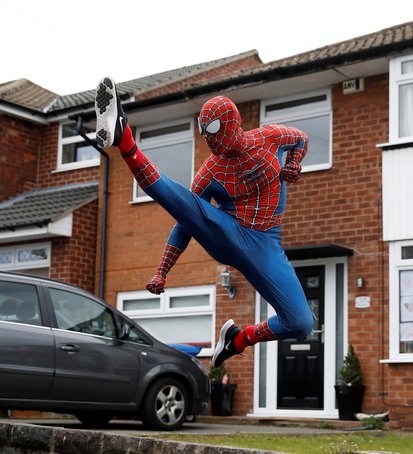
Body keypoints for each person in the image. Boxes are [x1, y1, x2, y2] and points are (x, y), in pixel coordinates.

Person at [94, 77, 313, 367]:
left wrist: (293, 164)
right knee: (182, 201)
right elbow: (186, 220)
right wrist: (162, 271)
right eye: (203, 132)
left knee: (301, 323)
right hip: (230, 232)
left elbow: (302, 138)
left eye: (213, 130)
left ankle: (236, 340)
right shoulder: (210, 172)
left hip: (267, 244)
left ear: (233, 123)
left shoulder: (271, 137)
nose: (208, 139)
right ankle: (126, 141)